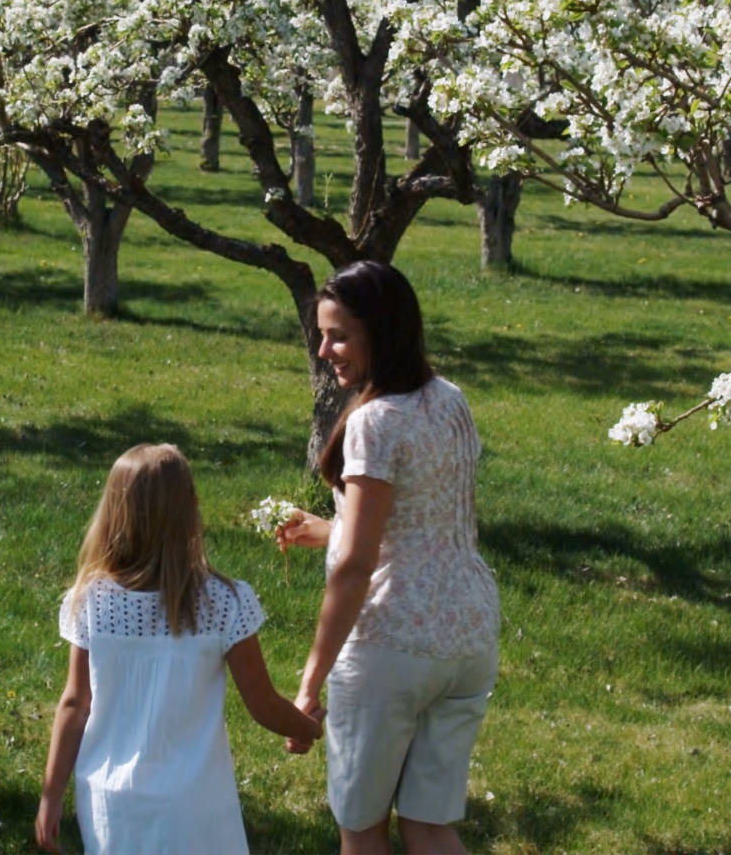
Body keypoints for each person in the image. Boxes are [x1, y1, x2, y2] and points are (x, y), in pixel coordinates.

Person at [275, 261, 501, 855]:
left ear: (383, 331)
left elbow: (356, 568)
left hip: (393, 645)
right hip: (469, 635)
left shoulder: (375, 422)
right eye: (321, 334)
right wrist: (330, 528)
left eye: (339, 335)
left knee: (363, 829)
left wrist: (309, 686)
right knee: (430, 826)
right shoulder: (448, 397)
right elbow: (425, 514)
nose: (325, 350)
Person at [36, 444, 324, 855]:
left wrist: (50, 795)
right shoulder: (224, 602)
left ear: (114, 512)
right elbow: (262, 704)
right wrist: (308, 727)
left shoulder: (90, 601)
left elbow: (74, 704)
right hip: (196, 804)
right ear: (190, 509)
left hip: (110, 800)